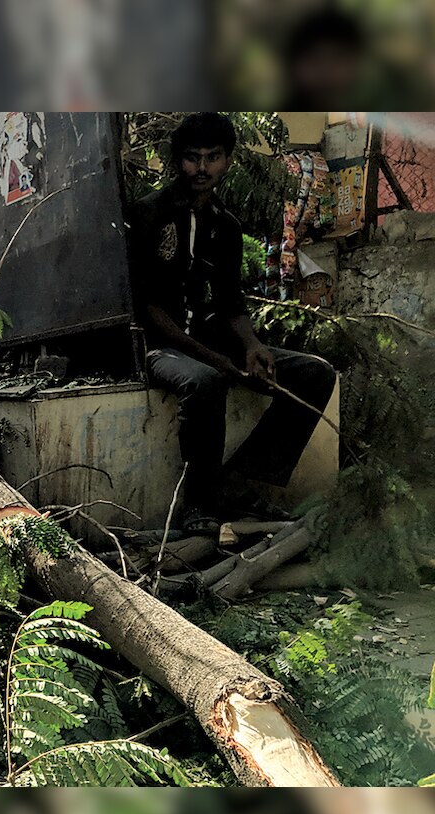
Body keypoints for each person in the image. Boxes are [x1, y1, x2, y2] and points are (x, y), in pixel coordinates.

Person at [127, 113, 337, 533]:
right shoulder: (150, 214)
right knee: (205, 381)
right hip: (155, 343)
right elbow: (148, 309)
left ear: (227, 160)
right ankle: (198, 505)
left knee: (314, 373)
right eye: (192, 158)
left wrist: (251, 345)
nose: (202, 168)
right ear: (177, 160)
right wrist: (214, 359)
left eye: (212, 157)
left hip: (206, 336)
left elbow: (230, 302)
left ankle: (241, 484)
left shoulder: (226, 226)